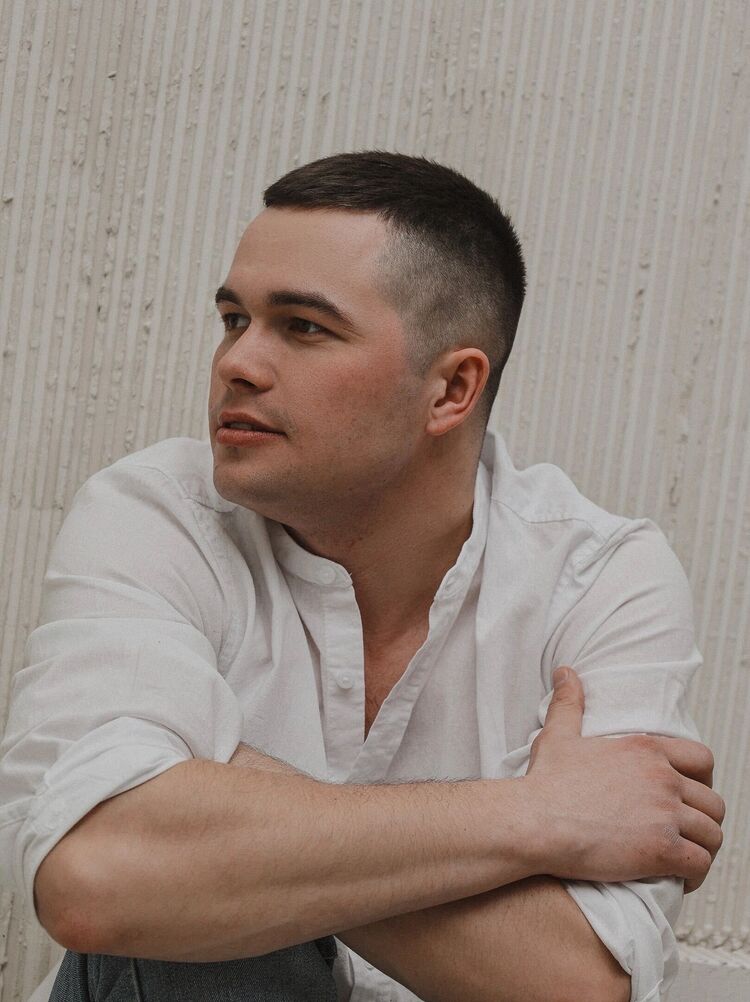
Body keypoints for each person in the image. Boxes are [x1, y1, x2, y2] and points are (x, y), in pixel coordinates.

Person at [0, 151, 724, 1002]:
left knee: (200, 893)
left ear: (452, 389)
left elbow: (577, 982)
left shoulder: (600, 577)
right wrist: (536, 815)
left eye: (303, 327)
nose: (237, 362)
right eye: (233, 319)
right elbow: (97, 876)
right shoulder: (156, 514)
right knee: (189, 935)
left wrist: (225, 804)